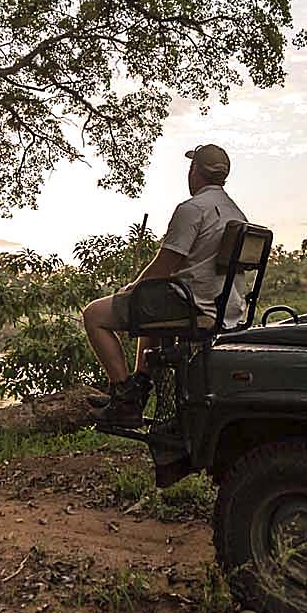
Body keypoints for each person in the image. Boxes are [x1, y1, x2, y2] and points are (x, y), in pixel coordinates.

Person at [82, 143, 246, 425]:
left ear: (195, 172)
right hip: (224, 306)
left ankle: (123, 398)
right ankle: (138, 387)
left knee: (94, 315)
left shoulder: (193, 209)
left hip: (192, 305)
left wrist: (130, 289)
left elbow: (163, 267)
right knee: (152, 307)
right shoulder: (236, 213)